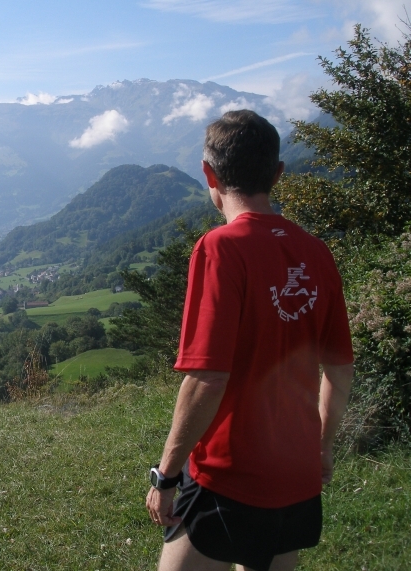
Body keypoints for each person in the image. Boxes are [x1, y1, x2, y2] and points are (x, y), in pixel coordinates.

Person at [146, 110, 354, 571]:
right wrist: (320, 446)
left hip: (229, 475)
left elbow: (207, 377)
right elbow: (339, 370)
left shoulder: (221, 248)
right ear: (278, 174)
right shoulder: (316, 252)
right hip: (296, 478)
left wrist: (167, 475)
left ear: (209, 174)